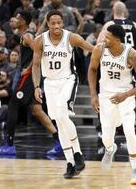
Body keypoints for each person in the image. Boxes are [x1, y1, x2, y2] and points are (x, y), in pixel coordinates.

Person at [32, 10, 93, 178]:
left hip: (68, 80)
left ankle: (78, 154)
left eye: (59, 22)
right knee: (58, 121)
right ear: (48, 24)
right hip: (49, 83)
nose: (57, 26)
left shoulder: (71, 38)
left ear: (63, 23)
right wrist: (37, 86)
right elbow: (36, 65)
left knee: (62, 115)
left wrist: (108, 50)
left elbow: (92, 49)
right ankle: (70, 163)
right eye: (53, 23)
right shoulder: (40, 41)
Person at [0, 11, 62, 156]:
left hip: (28, 77)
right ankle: (60, 142)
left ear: (23, 21)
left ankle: (9, 145)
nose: (14, 20)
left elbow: (39, 52)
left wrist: (28, 69)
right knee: (37, 110)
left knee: (13, 105)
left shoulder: (27, 36)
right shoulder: (28, 34)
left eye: (17, 18)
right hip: (32, 76)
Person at [88, 24, 136, 185]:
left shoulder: (132, 54)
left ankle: (135, 169)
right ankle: (110, 149)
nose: (103, 39)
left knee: (129, 130)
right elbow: (92, 69)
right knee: (107, 137)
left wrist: (126, 95)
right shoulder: (99, 50)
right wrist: (93, 95)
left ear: (116, 39)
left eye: (107, 37)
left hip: (126, 96)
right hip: (106, 97)